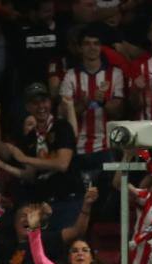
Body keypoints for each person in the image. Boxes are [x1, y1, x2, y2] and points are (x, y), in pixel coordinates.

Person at [59, 26, 125, 166]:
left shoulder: (115, 74)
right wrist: (84, 104)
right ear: (80, 48)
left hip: (107, 147)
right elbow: (63, 114)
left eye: (96, 43)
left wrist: (103, 101)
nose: (92, 47)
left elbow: (118, 112)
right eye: (87, 43)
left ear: (101, 47)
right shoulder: (70, 76)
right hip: (77, 148)